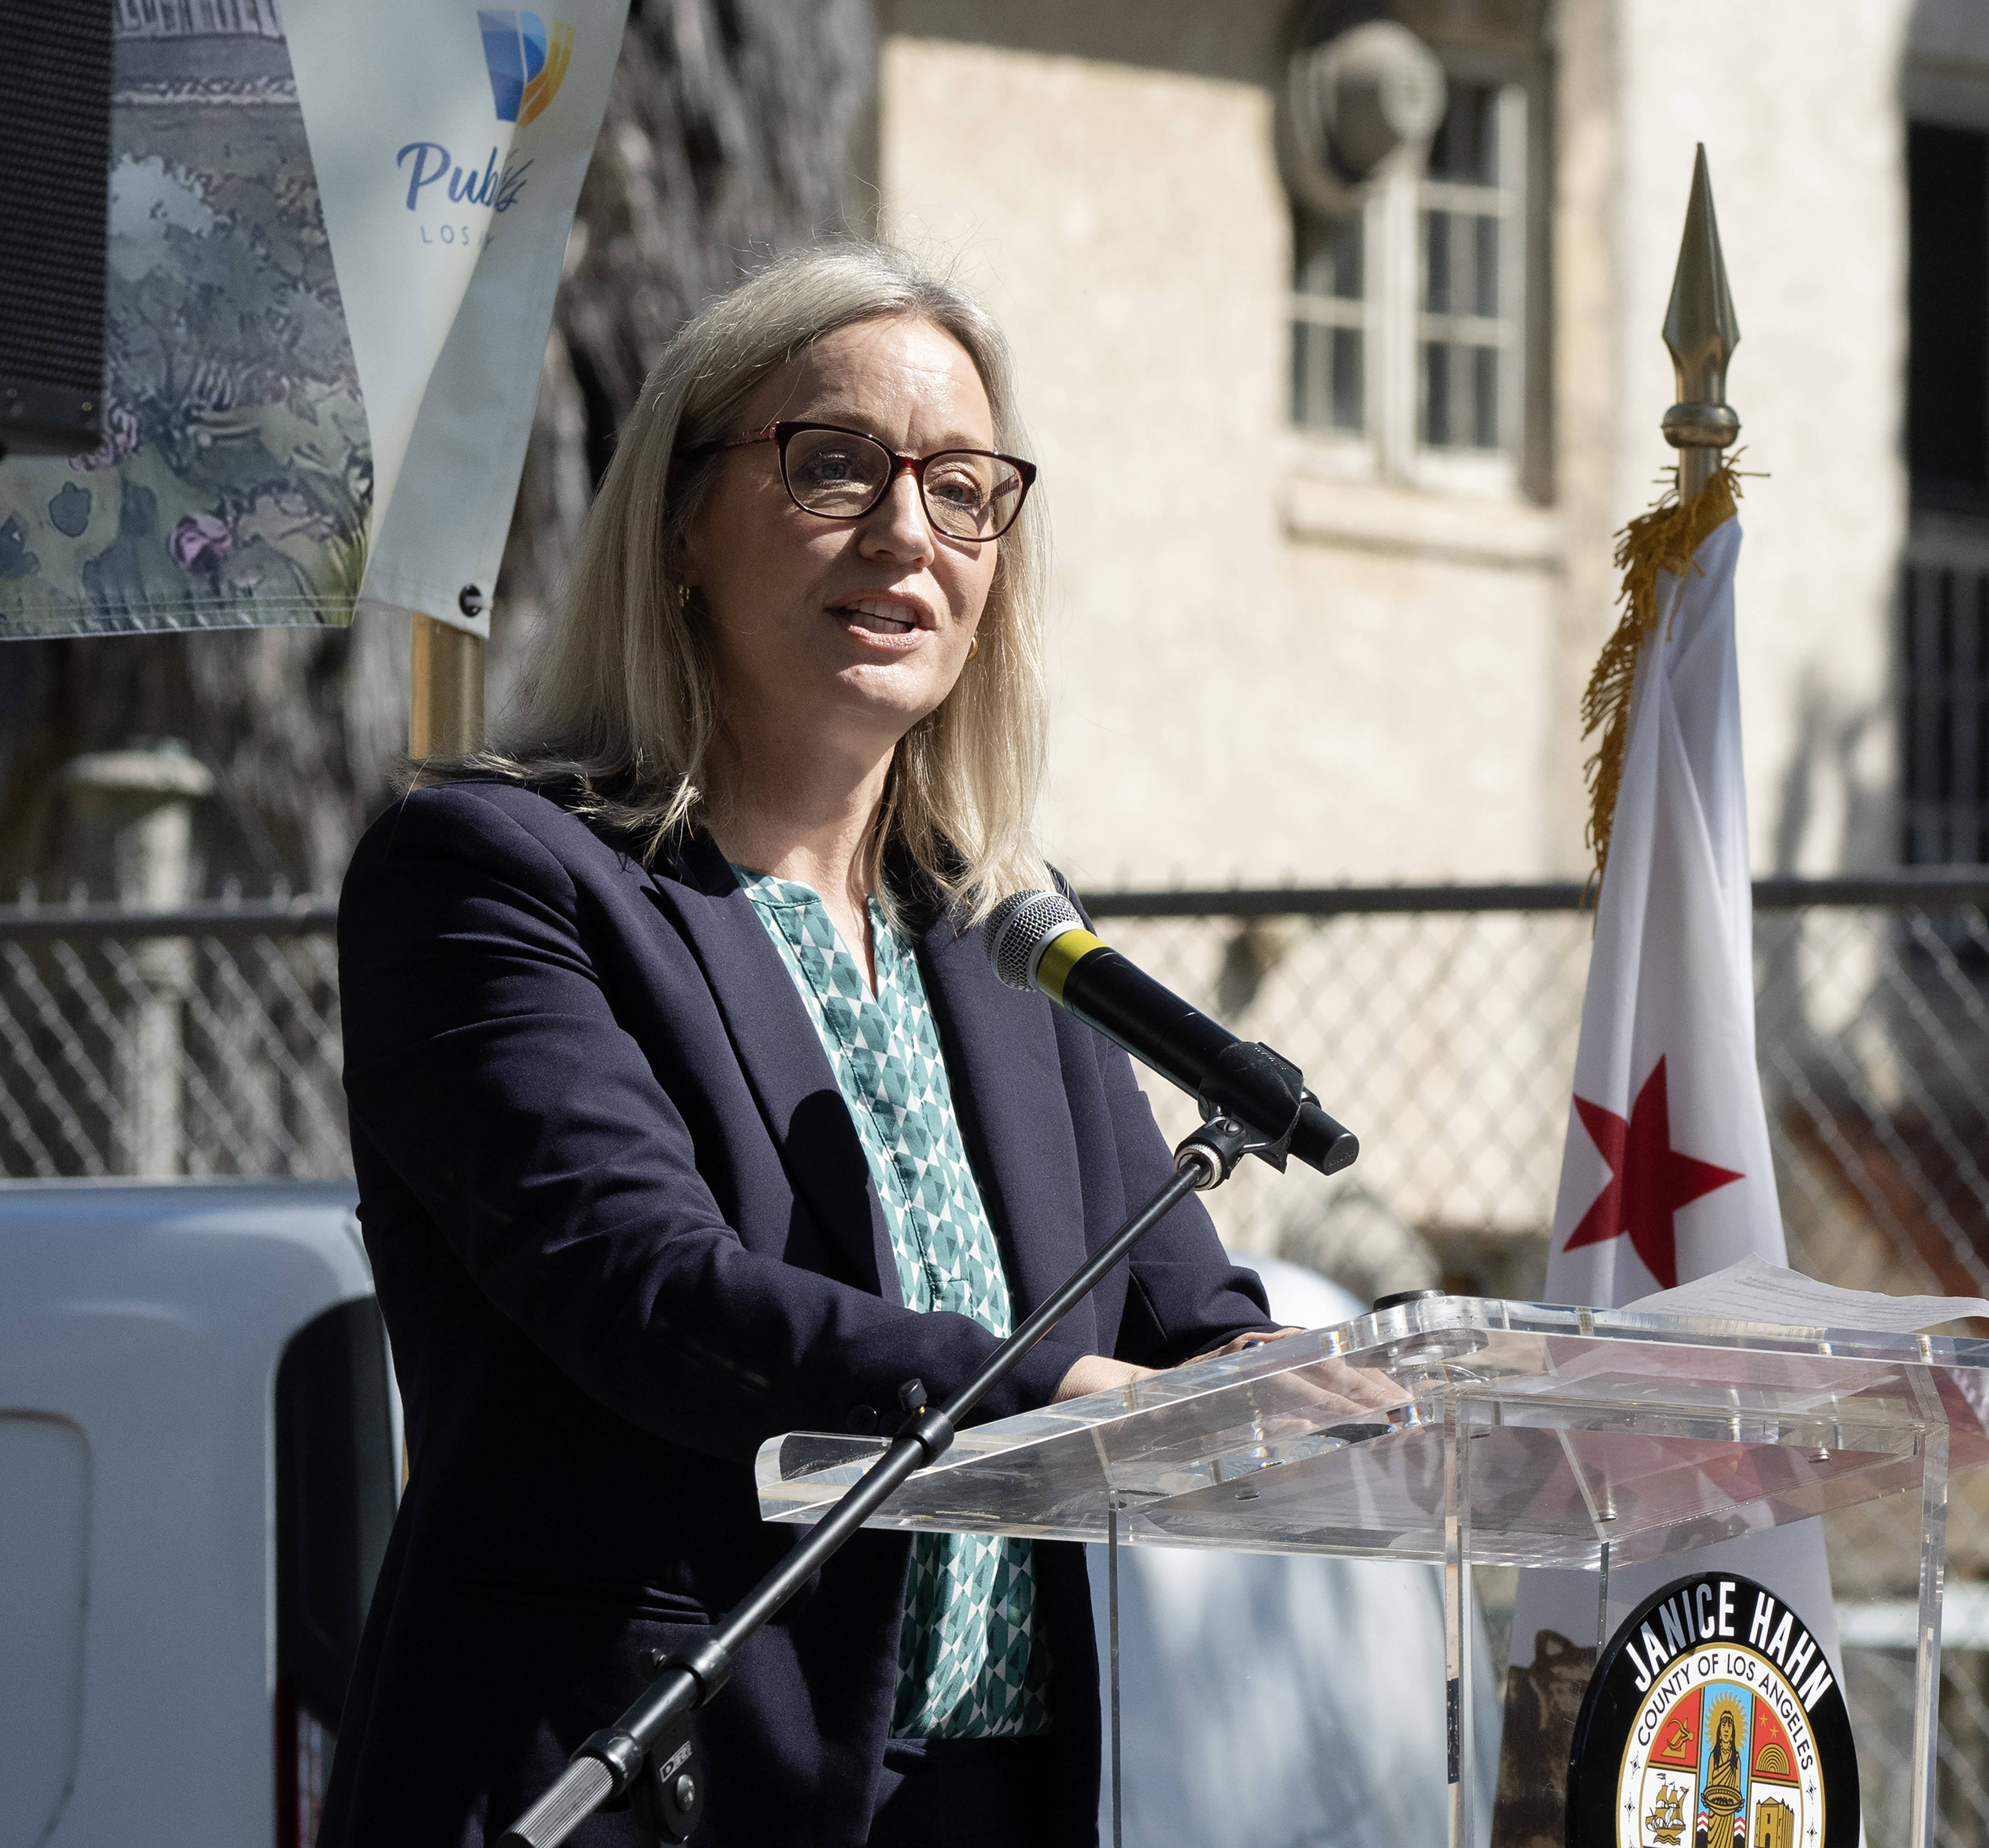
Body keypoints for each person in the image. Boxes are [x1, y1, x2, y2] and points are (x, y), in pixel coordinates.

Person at [317, 244, 1285, 1846]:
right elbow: (647, 1292)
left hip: (989, 1800)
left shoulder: (999, 936)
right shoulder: (494, 877)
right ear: (683, 525)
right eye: (834, 466)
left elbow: (1184, 1311)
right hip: (648, 1786)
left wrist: (1314, 1392)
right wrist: (1049, 1392)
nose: (910, 529)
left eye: (965, 488)